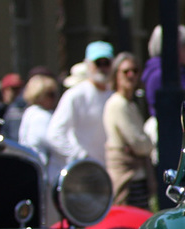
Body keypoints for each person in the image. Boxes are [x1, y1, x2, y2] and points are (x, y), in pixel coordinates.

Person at [44, 42, 115, 181]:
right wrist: (81, 157)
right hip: (81, 177)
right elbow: (54, 133)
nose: (102, 67)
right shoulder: (76, 95)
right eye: (97, 63)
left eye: (106, 63)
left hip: (107, 174)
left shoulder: (113, 96)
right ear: (88, 64)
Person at [103, 51, 154, 206]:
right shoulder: (118, 104)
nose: (131, 75)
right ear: (116, 75)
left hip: (137, 177)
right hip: (126, 179)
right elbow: (140, 145)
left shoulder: (130, 103)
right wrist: (147, 144)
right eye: (126, 71)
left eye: (135, 71)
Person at [17, 74, 61, 161]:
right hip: (42, 166)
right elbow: (55, 142)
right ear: (39, 95)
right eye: (50, 94)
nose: (54, 98)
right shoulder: (41, 116)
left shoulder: (30, 112)